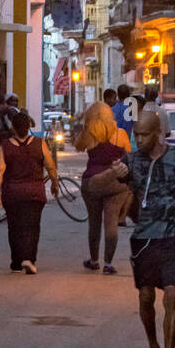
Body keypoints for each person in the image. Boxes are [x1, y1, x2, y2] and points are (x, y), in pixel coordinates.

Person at [89, 111, 175, 348]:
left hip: (172, 237)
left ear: (157, 133)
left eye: (144, 134)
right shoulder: (130, 161)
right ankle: (153, 347)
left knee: (171, 294)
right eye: (136, 134)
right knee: (145, 298)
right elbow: (92, 187)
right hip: (143, 241)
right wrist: (113, 173)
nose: (139, 139)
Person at [0, 110, 58, 274]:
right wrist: (54, 183)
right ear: (29, 127)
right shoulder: (40, 143)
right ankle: (29, 259)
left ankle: (16, 262)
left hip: (12, 193)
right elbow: (50, 166)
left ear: (13, 128)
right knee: (32, 226)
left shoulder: (5, 146)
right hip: (35, 192)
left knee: (14, 227)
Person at [75, 102, 131, 274]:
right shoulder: (120, 134)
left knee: (94, 222)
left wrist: (85, 128)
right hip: (116, 182)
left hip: (92, 181)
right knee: (111, 222)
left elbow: (78, 146)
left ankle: (94, 260)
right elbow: (128, 155)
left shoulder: (89, 133)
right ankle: (108, 263)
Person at [113, 82, 137, 150]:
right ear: (129, 95)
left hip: (114, 145)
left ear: (118, 95)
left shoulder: (112, 110)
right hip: (127, 145)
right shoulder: (132, 110)